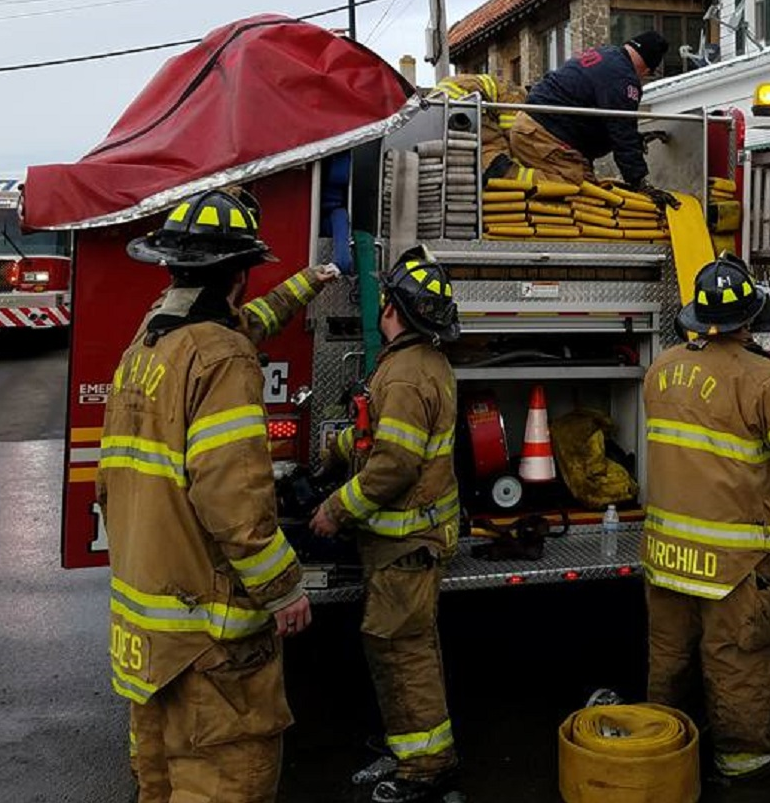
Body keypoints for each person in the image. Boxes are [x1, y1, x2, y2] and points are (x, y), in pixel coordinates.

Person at [101, 188, 333, 802]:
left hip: (151, 635)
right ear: (240, 274)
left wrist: (309, 282)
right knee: (229, 780)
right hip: (212, 639)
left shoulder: (151, 341)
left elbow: (246, 322)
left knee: (159, 781)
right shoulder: (223, 358)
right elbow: (231, 497)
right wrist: (283, 586)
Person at [642, 253, 770, 780]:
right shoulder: (761, 381)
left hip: (666, 553)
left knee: (669, 656)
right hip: (733, 561)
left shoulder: (661, 368)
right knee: (736, 658)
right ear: (749, 318)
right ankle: (743, 757)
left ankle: (665, 746)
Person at [309, 245, 462, 803]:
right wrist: (340, 445)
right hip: (410, 541)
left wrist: (335, 509)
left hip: (404, 542)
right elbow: (386, 441)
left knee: (401, 649)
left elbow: (395, 466)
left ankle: (427, 766)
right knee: (405, 644)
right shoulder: (421, 363)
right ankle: (410, 741)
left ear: (394, 309)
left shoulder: (403, 376)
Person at [509, 31, 669, 198]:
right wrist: (639, 183)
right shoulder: (623, 78)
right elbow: (622, 132)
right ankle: (509, 181)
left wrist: (635, 140)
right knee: (587, 198)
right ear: (647, 68)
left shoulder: (605, 55)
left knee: (568, 192)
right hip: (546, 137)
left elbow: (599, 119)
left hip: (527, 126)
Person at [429, 73, 528, 181]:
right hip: (466, 102)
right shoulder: (516, 95)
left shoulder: (502, 86)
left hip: (440, 105)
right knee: (494, 150)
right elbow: (512, 132)